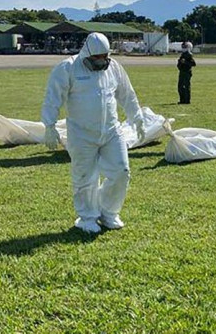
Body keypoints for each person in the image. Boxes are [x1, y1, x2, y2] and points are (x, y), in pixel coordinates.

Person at [42, 32, 145, 233]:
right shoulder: (68, 68)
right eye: (96, 58)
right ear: (86, 53)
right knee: (84, 177)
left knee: (121, 172)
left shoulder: (114, 67)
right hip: (81, 134)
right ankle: (87, 217)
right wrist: (49, 125)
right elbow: (52, 97)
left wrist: (137, 119)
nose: (101, 61)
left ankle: (108, 212)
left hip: (111, 131)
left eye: (105, 56)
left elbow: (127, 94)